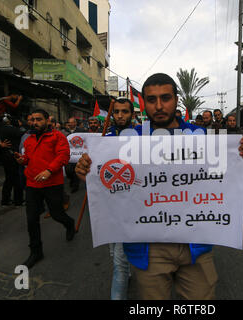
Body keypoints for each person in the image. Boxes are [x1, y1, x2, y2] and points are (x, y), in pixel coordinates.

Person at [75, 73, 243, 300]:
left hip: (195, 247)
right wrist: (88, 174)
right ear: (144, 104)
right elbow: (111, 183)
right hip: (149, 249)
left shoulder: (201, 137)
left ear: (176, 100)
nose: (159, 106)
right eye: (151, 100)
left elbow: (221, 176)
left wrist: (242, 156)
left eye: (166, 98)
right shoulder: (126, 141)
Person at [14, 109, 76, 269]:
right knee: (31, 219)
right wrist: (22, 160)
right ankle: (36, 251)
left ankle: (69, 224)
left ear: (47, 120)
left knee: (56, 214)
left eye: (39, 119)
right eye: (32, 120)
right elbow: (28, 158)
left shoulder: (57, 136)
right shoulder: (29, 139)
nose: (35, 123)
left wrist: (49, 170)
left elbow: (63, 156)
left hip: (52, 184)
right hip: (32, 185)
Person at [106, 98, 135, 300]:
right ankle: (129, 272)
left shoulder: (143, 136)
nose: (120, 115)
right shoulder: (104, 138)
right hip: (109, 208)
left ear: (132, 114)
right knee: (112, 252)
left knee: (119, 262)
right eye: (116, 112)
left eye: (124, 111)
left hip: (131, 207)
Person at [0, 115, 24, 206]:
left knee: (9, 179)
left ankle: (5, 200)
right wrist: (20, 126)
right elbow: (22, 133)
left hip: (6, 157)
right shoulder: (12, 129)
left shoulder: (1, 129)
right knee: (16, 179)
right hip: (13, 156)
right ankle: (18, 200)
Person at [62, 117, 86, 193]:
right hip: (68, 154)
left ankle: (75, 186)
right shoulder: (64, 131)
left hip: (77, 155)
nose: (71, 124)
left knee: (76, 172)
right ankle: (72, 180)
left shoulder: (81, 131)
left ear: (75, 123)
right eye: (69, 122)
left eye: (72, 122)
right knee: (68, 171)